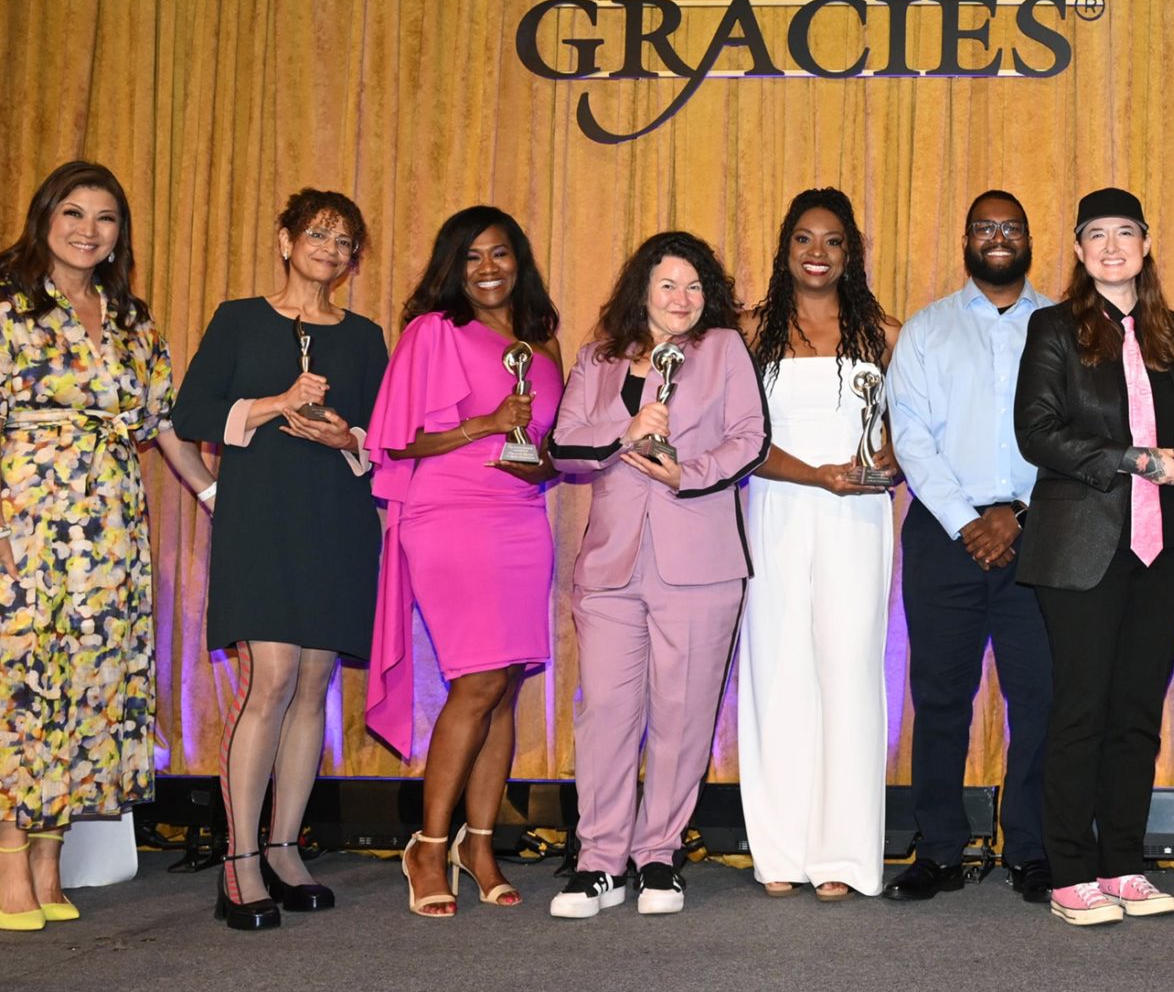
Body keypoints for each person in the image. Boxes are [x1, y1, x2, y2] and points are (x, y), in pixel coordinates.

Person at [0, 160, 213, 931]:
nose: (89, 230)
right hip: (25, 513)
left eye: (105, 218)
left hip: (111, 525)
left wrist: (217, 498)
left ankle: (51, 857)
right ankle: (10, 855)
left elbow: (161, 425)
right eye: (74, 213)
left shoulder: (130, 319)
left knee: (90, 681)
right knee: (17, 678)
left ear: (119, 235)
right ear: (45, 220)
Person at [171, 189, 387, 930]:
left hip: (337, 518)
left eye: (344, 240)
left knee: (314, 681)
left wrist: (347, 439)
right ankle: (238, 859)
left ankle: (286, 848)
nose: (330, 247)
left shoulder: (364, 336)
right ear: (285, 240)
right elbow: (191, 415)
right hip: (260, 517)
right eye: (317, 232)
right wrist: (275, 403)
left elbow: (385, 434)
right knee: (270, 678)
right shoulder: (238, 319)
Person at [547, 232, 767, 919]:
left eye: (695, 286)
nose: (682, 298)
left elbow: (751, 437)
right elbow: (563, 443)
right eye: (668, 284)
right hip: (610, 568)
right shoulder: (599, 358)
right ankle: (598, 861)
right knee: (606, 714)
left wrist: (688, 474)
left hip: (700, 565)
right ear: (642, 289)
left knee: (682, 715)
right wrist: (624, 430)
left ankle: (659, 855)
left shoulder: (724, 349)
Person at [1014, 187, 1174, 927]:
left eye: (1124, 232)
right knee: (1081, 710)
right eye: (1096, 235)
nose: (1111, 247)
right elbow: (1036, 431)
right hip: (1082, 548)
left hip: (1165, 550)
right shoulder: (1053, 328)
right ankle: (1070, 872)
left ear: (1146, 243)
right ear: (1078, 249)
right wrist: (1131, 458)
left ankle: (1123, 864)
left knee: (1136, 714)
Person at [365, 207, 563, 918]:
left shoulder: (543, 345)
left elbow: (551, 451)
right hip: (449, 514)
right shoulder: (433, 331)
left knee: (505, 685)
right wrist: (484, 424)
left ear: (520, 261)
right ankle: (427, 845)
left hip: (521, 518)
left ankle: (479, 846)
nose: (487, 268)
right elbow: (399, 438)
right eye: (472, 256)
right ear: (455, 266)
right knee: (477, 680)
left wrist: (541, 464)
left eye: (500, 253)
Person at [884, 191, 1057, 904]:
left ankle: (1032, 847)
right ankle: (939, 849)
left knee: (1040, 700)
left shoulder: (1062, 327)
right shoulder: (926, 329)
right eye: (985, 227)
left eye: (1010, 227)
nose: (997, 237)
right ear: (965, 239)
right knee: (940, 697)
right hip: (943, 534)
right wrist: (967, 521)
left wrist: (1017, 513)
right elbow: (910, 435)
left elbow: (1077, 432)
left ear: (1029, 239)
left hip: (1040, 533)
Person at [737, 189, 900, 901]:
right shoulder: (749, 332)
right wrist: (814, 475)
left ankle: (844, 855)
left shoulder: (884, 334)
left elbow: (905, 431)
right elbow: (739, 438)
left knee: (850, 672)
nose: (817, 253)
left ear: (850, 253)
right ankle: (779, 849)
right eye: (804, 238)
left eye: (833, 241)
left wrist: (892, 459)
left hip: (857, 517)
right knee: (777, 671)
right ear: (785, 248)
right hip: (776, 508)